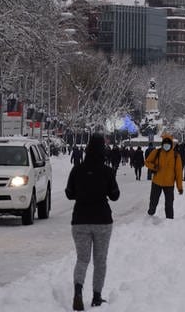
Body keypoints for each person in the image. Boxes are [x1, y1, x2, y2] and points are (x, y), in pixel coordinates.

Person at [64, 133, 120, 310]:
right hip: (102, 220)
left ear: (87, 148)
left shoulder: (77, 170)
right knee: (100, 260)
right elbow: (115, 195)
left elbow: (69, 193)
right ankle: (97, 296)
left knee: (82, 259)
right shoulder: (107, 171)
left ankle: (78, 291)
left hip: (80, 219)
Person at [145, 135, 184, 219]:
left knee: (169, 204)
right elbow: (147, 162)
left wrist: (179, 187)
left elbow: (179, 173)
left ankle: (169, 221)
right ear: (162, 144)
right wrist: (154, 167)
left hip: (169, 184)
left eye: (168, 144)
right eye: (165, 143)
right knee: (153, 202)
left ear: (171, 144)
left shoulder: (176, 156)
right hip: (156, 182)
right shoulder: (157, 152)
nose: (166, 145)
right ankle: (149, 217)